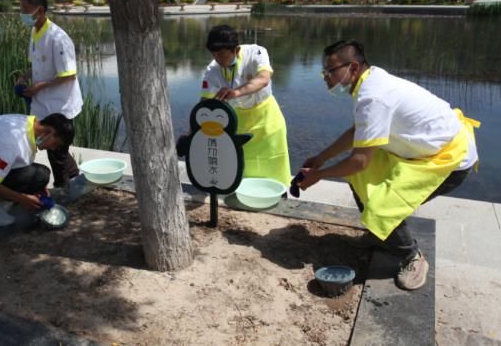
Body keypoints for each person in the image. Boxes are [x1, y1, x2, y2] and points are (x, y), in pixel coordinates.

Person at [298, 40, 479, 291]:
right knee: (362, 180)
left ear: (352, 67)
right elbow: (358, 132)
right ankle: (383, 237)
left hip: (448, 160)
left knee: (382, 202)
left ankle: (412, 257)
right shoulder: (370, 81)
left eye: (330, 71)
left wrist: (319, 175)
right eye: (324, 72)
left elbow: (360, 160)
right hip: (420, 150)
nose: (325, 78)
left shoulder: (373, 96)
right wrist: (321, 157)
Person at [199, 24, 291, 185]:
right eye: (214, 54)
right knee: (241, 164)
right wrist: (192, 131)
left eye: (221, 54)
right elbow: (205, 103)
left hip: (266, 119)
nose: (218, 59)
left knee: (273, 160)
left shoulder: (256, 52)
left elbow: (263, 79)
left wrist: (236, 92)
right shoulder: (212, 69)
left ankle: (279, 191)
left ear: (236, 49)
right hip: (238, 120)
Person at [15, 0, 83, 188]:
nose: (22, 14)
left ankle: (63, 188)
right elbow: (36, 64)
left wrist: (40, 86)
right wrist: (25, 76)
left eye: (25, 9)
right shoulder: (35, 31)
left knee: (55, 148)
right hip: (43, 100)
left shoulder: (58, 38)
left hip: (59, 103)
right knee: (55, 147)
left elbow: (69, 74)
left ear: (40, 10)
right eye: (21, 8)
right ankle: (73, 177)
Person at [0, 113, 75, 227]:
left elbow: (18, 160)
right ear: (48, 132)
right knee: (40, 175)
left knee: (40, 177)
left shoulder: (28, 125)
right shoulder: (12, 141)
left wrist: (39, 188)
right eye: (56, 144)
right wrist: (22, 199)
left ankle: (2, 198)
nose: (53, 149)